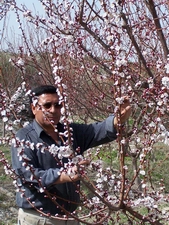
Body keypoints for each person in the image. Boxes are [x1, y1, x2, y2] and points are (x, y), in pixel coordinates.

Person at [11, 85, 132, 225]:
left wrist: (117, 120)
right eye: (47, 105)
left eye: (58, 105)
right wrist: (62, 175)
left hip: (70, 218)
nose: (53, 110)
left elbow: (96, 130)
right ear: (34, 108)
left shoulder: (70, 132)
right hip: (39, 218)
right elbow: (27, 175)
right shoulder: (24, 138)